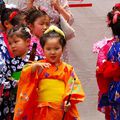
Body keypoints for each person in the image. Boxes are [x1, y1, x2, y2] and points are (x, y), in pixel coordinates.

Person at [14, 25, 85, 120]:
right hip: (41, 110)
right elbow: (25, 78)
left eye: (56, 48)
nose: (52, 52)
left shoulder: (67, 69)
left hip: (59, 110)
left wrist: (69, 102)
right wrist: (33, 67)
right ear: (43, 50)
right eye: (48, 49)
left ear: (63, 49)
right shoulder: (39, 66)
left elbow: (73, 87)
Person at [0, 25, 43, 120]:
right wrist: (15, 83)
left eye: (16, 42)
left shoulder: (38, 60)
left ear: (28, 42)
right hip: (14, 103)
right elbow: (3, 81)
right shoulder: (10, 62)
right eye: (10, 43)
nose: (13, 46)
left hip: (33, 101)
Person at [96, 10, 120, 120]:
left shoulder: (109, 46)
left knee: (115, 113)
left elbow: (101, 69)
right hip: (116, 83)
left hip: (114, 86)